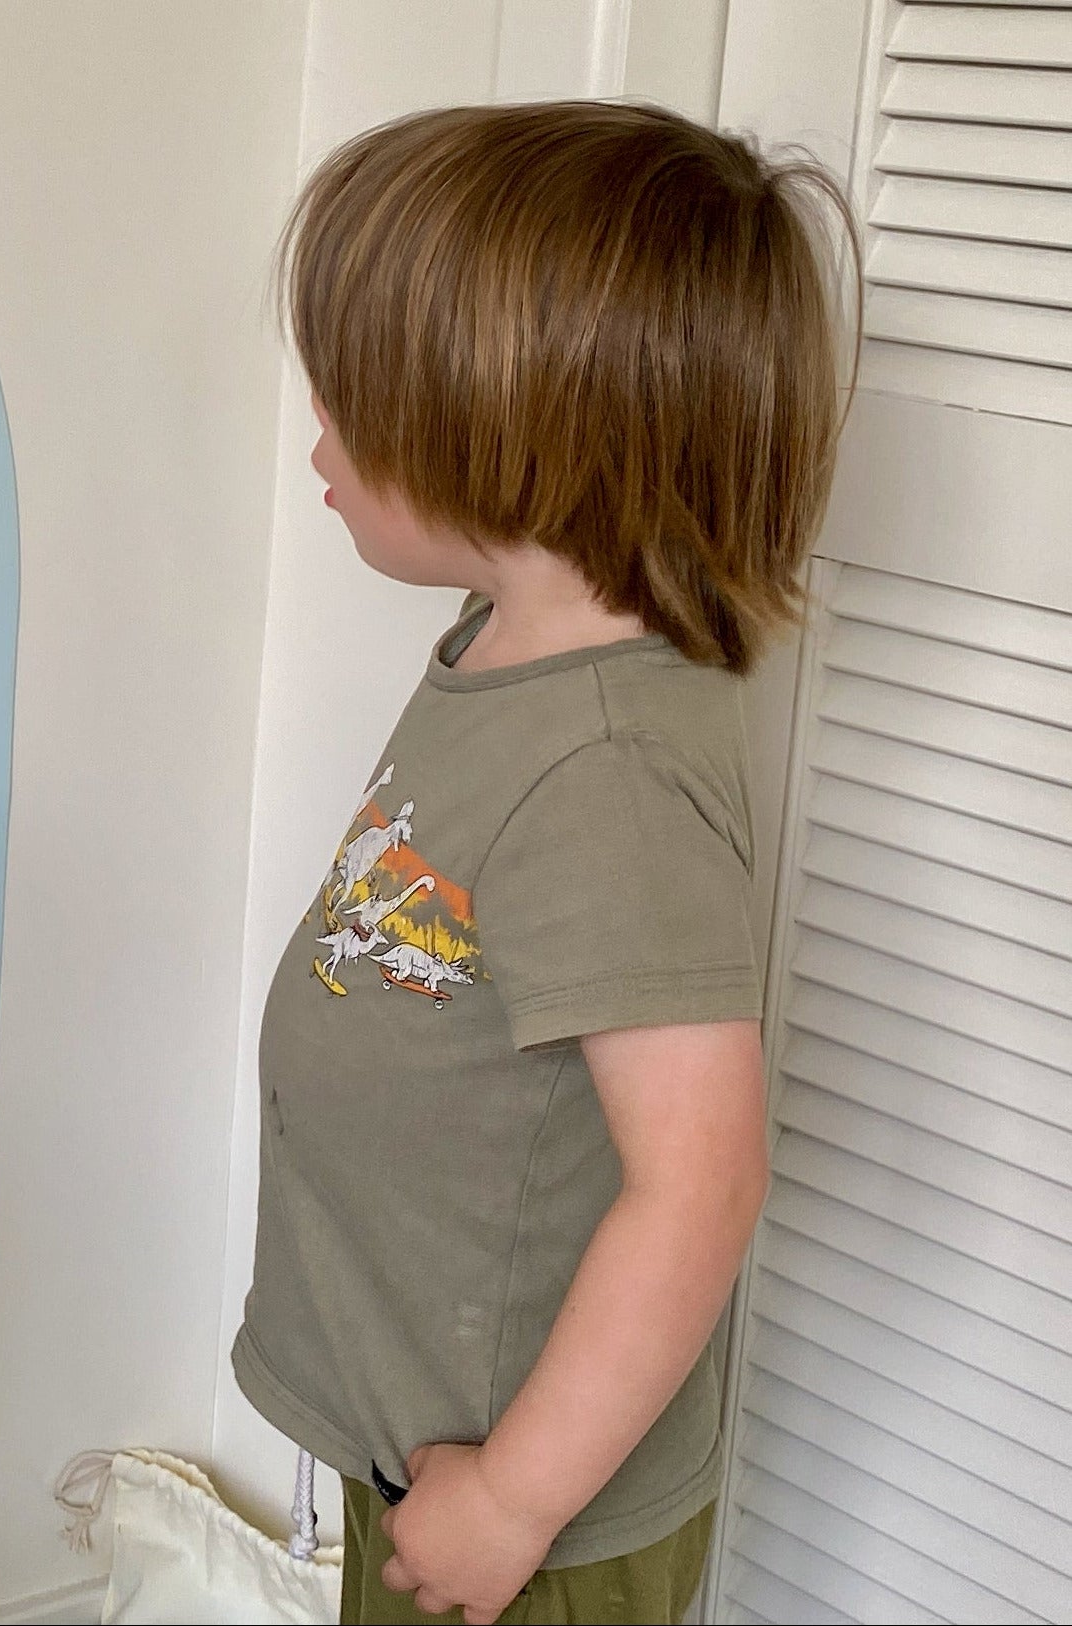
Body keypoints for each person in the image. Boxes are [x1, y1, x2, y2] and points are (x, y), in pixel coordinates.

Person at [234, 101, 853, 1625]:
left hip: (526, 1519)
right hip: (434, 1452)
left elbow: (697, 1182)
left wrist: (511, 1495)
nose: (312, 429)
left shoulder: (606, 773)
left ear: (505, 431)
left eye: (351, 395)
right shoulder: (502, 650)